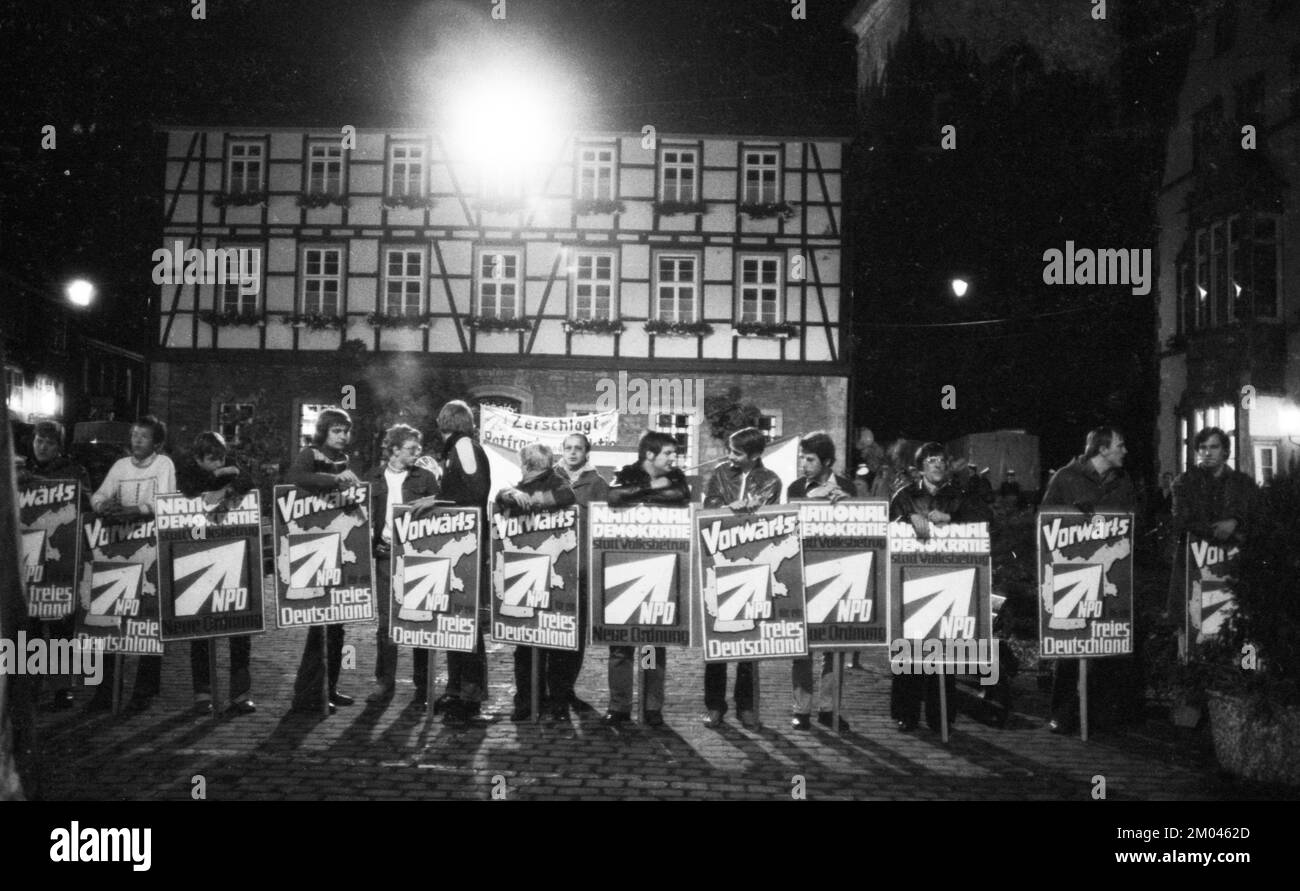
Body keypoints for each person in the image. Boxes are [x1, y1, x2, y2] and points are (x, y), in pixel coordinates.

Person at [1040, 426, 1136, 734]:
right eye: (1120, 445)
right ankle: (1062, 713)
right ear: (1103, 449)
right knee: (1071, 647)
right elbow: (1044, 518)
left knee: (1104, 644)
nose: (1124, 450)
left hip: (1110, 572)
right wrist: (1072, 516)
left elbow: (1135, 517)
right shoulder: (1066, 479)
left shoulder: (1123, 481)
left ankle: (1098, 714)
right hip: (1075, 573)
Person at [889, 441, 992, 731]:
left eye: (941, 461)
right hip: (912, 578)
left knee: (943, 650)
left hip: (948, 577)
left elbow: (984, 521)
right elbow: (887, 528)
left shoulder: (958, 495)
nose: (936, 465)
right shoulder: (905, 496)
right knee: (909, 647)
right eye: (930, 460)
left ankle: (940, 715)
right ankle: (905, 714)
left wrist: (952, 519)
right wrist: (908, 518)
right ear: (920, 467)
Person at [87, 415, 176, 712]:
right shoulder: (120, 467)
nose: (137, 440)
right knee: (111, 618)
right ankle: (106, 690)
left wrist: (136, 511)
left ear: (157, 443)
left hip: (149, 550)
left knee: (148, 622)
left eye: (144, 436)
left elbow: (166, 500)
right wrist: (103, 505)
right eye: (134, 434)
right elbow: (99, 493)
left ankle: (144, 691)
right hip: (120, 550)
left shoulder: (163, 465)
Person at [603, 431, 691, 728]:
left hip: (660, 564)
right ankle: (619, 706)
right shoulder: (627, 472)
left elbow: (680, 497)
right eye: (668, 453)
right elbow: (614, 497)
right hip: (625, 562)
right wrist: (650, 487)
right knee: (621, 643)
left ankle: (652, 707)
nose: (674, 459)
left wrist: (641, 493)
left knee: (653, 641)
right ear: (650, 455)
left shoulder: (677, 476)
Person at [702, 426, 782, 729]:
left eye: (736, 452)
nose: (729, 456)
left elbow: (771, 517)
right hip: (720, 562)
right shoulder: (722, 473)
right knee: (717, 642)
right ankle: (714, 706)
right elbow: (709, 506)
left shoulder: (771, 479)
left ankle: (746, 706)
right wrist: (726, 508)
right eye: (729, 450)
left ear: (755, 455)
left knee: (749, 644)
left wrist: (753, 511)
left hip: (754, 565)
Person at [494, 444, 579, 723]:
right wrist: (508, 493)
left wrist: (532, 499)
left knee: (552, 644)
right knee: (526, 643)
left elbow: (567, 495)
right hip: (526, 569)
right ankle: (529, 701)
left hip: (552, 569)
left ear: (527, 465)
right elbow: (500, 499)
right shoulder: (519, 486)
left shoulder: (554, 482)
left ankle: (556, 703)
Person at [176, 432, 257, 715]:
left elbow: (247, 479)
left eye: (222, 457)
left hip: (231, 549)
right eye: (212, 459)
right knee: (200, 626)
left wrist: (226, 487)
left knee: (239, 626)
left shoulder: (231, 463)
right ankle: (203, 693)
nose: (219, 463)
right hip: (199, 553)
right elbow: (188, 490)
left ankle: (240, 693)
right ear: (198, 459)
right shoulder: (187, 471)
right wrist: (221, 478)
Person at [288, 407, 361, 714]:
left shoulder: (345, 460)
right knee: (318, 626)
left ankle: (330, 686)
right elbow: (295, 478)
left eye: (345, 430)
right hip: (312, 542)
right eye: (336, 430)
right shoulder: (310, 453)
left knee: (337, 624)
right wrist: (334, 480)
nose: (342, 436)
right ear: (323, 432)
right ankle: (307, 693)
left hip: (337, 542)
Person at [18, 421, 92, 710]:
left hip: (61, 559)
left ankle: (62, 688)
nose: (43, 446)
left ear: (59, 446)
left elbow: (87, 502)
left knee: (61, 626)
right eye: (39, 440)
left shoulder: (74, 471)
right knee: (30, 625)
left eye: (49, 442)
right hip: (29, 559)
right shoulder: (19, 471)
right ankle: (32, 685)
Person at [366, 424, 440, 708]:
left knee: (419, 619)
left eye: (418, 448)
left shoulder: (425, 476)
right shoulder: (373, 477)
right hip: (386, 555)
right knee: (386, 622)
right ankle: (384, 682)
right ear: (394, 450)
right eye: (411, 449)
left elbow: (445, 505)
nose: (417, 454)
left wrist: (432, 499)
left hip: (416, 555)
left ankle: (422, 685)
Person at [787, 431, 855, 731]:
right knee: (803, 647)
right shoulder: (796, 487)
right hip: (805, 571)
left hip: (838, 571)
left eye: (810, 459)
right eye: (802, 458)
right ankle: (801, 709)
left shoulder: (848, 486)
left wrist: (850, 505)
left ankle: (829, 708)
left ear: (827, 462)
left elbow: (862, 529)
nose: (804, 464)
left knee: (836, 647)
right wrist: (808, 500)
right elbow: (787, 526)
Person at [431, 400, 492, 726]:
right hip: (457, 539)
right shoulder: (457, 448)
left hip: (464, 540)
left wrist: (441, 502)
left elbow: (474, 490)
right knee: (453, 618)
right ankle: (456, 688)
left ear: (446, 422)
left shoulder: (464, 444)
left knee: (463, 618)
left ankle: (470, 693)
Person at [1167, 427, 1257, 640]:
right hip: (1194, 562)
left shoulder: (1242, 483)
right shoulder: (1185, 482)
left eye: (1214, 447)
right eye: (1203, 448)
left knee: (1230, 620)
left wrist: (1236, 522)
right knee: (1193, 621)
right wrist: (1218, 529)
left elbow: (1255, 514)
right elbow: (1181, 519)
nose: (1207, 452)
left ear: (1225, 451)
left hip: (1231, 564)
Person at [553, 432, 609, 716]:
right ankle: (550, 690)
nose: (573, 452)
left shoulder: (598, 484)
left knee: (574, 634)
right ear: (561, 450)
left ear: (587, 453)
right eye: (568, 448)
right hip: (552, 567)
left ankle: (565, 688)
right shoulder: (550, 478)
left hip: (582, 570)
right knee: (551, 629)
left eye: (578, 448)